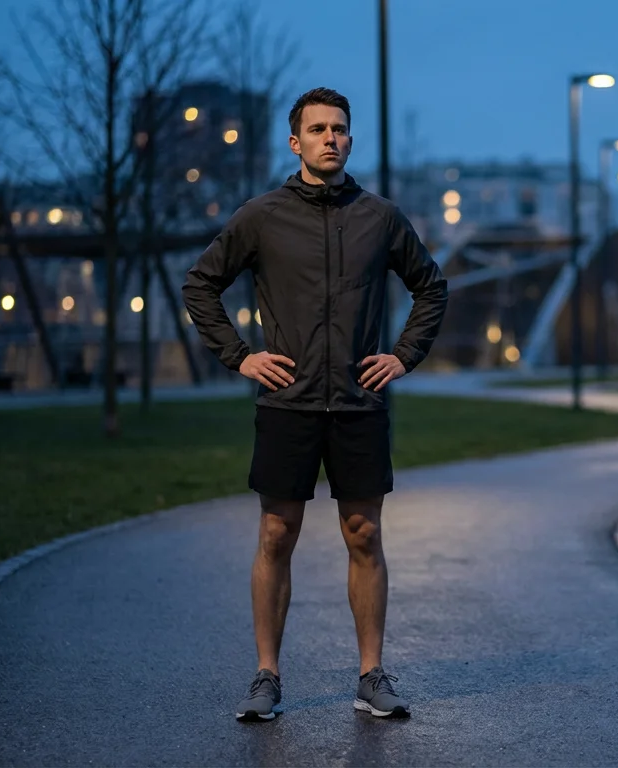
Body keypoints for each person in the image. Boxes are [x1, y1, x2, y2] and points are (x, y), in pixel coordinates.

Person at [182, 87, 448, 721]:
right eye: (319, 129)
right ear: (296, 141)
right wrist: (241, 356)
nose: (331, 138)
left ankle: (371, 676)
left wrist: (402, 356)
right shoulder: (261, 216)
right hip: (288, 404)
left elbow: (430, 288)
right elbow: (201, 285)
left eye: (340, 129)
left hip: (360, 404)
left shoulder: (380, 217)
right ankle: (266, 678)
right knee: (277, 533)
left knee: (364, 533)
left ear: (350, 140)